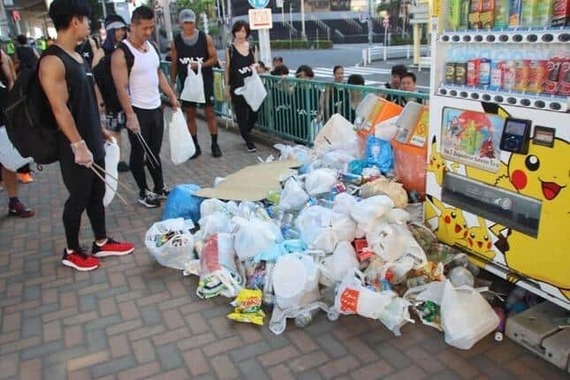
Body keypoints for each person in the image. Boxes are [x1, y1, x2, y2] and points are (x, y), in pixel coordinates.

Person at [39, 0, 135, 271]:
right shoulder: (52, 61)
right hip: (74, 145)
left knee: (96, 192)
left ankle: (101, 242)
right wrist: (78, 144)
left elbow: (83, 102)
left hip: (92, 137)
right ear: (74, 22)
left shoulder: (78, 56)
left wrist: (99, 129)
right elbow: (59, 109)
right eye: (86, 19)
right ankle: (71, 250)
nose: (89, 25)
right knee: (78, 197)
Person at [112, 5, 180, 207]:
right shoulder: (121, 53)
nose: (149, 32)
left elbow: (158, 74)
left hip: (155, 108)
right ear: (132, 26)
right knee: (139, 152)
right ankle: (143, 191)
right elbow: (121, 88)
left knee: (154, 151)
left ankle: (159, 188)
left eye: (151, 27)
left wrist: (171, 96)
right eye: (145, 28)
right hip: (137, 110)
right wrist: (130, 115)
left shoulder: (151, 48)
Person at [170, 9, 221, 159]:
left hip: (204, 80)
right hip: (187, 83)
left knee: (210, 113)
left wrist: (200, 65)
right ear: (181, 24)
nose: (188, 25)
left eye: (191, 22)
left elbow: (214, 59)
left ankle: (214, 144)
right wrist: (172, 84)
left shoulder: (205, 38)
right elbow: (174, 63)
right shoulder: (177, 42)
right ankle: (195, 146)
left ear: (195, 22)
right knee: (190, 115)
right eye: (185, 22)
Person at [0, 48, 34, 218]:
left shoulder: (3, 57)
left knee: (9, 163)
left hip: (4, 119)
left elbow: (13, 84)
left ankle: (14, 201)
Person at [93, 14, 129, 172]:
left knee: (132, 128)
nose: (121, 32)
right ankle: (118, 160)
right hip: (110, 97)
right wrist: (100, 100)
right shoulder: (101, 52)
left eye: (123, 29)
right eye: (117, 30)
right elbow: (95, 79)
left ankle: (138, 157)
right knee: (114, 130)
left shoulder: (126, 48)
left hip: (128, 95)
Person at [224, 20, 259, 153]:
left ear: (247, 33)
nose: (240, 34)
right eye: (238, 31)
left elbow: (256, 64)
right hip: (237, 87)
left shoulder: (252, 47)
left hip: (251, 85)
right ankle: (249, 142)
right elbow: (227, 69)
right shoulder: (230, 49)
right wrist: (227, 87)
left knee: (255, 112)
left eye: (243, 31)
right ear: (234, 32)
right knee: (241, 114)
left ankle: (246, 132)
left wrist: (256, 67)